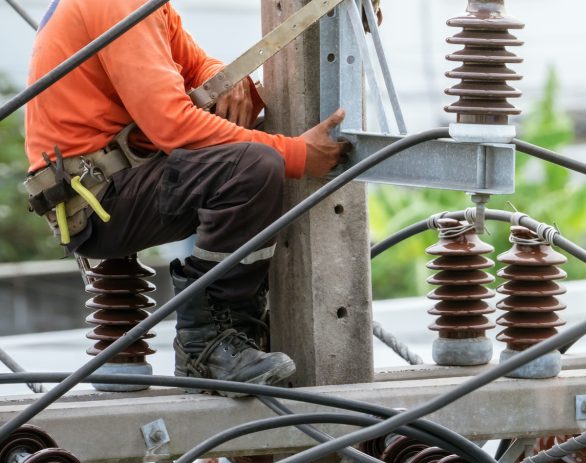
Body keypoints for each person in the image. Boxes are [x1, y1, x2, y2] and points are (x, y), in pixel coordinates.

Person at [23, 0, 359, 394]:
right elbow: (173, 126)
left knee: (261, 147)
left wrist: (223, 79)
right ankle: (208, 344)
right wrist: (300, 154)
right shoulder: (117, 2)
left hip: (115, 181)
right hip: (98, 200)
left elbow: (193, 63)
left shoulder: (149, 6)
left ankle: (237, 328)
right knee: (253, 165)